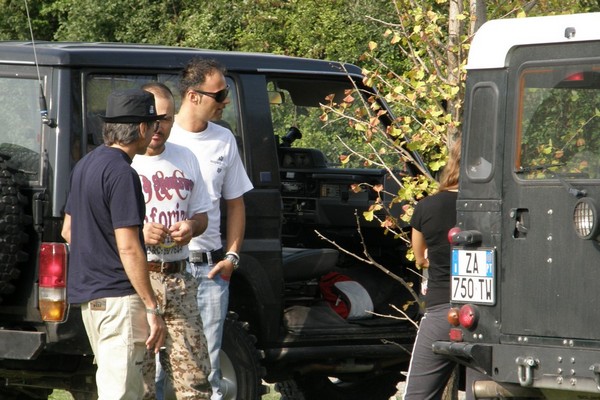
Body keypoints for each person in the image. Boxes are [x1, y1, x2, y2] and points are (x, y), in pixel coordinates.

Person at [61, 88, 167, 400]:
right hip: (119, 300)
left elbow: (68, 230)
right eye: (153, 124)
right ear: (142, 128)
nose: (156, 130)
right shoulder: (122, 173)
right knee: (121, 394)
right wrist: (151, 306)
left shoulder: (84, 165)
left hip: (91, 300)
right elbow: (129, 246)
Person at [163, 57, 254, 400]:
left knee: (208, 368)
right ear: (193, 96)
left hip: (209, 270)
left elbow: (236, 203)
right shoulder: (162, 136)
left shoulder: (223, 139)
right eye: (219, 95)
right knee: (160, 368)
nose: (225, 101)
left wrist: (232, 256)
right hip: (166, 267)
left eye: (225, 93)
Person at [133, 82, 213, 399]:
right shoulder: (125, 161)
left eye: (165, 118)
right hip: (139, 278)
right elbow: (96, 227)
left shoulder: (186, 157)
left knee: (195, 379)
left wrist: (191, 226)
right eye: (152, 118)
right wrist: (139, 233)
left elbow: (203, 216)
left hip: (179, 277)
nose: (158, 126)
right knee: (139, 383)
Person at [403, 138, 461, 400]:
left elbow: (420, 258)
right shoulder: (499, 206)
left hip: (443, 309)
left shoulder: (427, 207)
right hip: (495, 315)